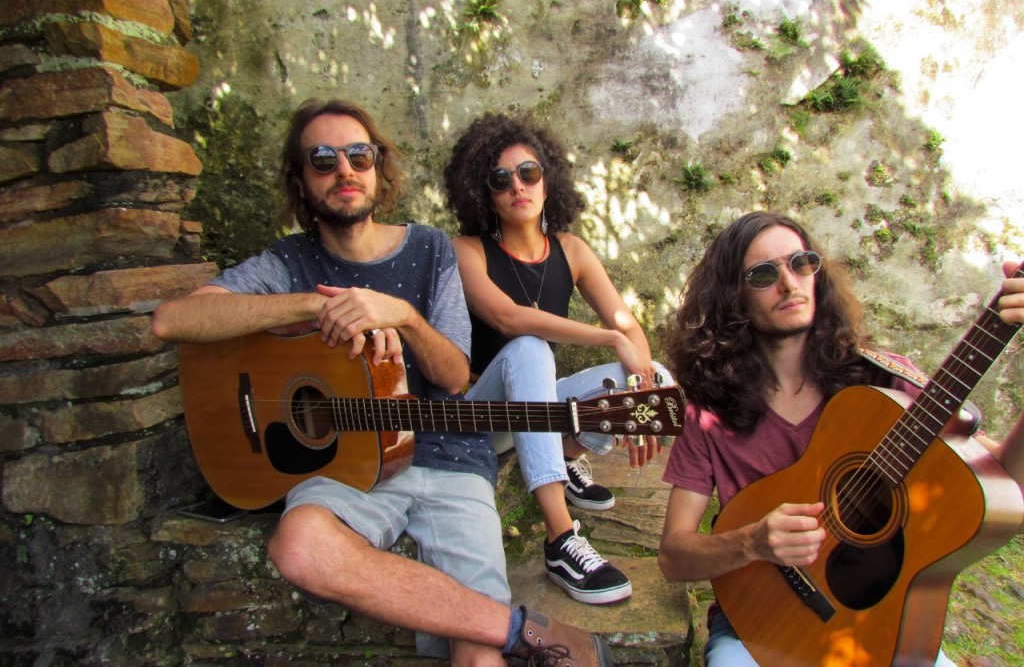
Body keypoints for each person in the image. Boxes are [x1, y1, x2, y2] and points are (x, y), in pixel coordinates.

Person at [151, 99, 614, 667]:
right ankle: (517, 629)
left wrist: (403, 316)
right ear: (300, 180)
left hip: (448, 456)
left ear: (377, 166)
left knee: (478, 657)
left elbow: (452, 375)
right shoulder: (288, 262)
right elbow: (172, 320)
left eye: (359, 155)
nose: (344, 169)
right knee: (299, 545)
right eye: (323, 160)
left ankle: (496, 631)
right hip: (343, 469)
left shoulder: (430, 249)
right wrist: (316, 306)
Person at [657, 210, 1024, 666]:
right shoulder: (709, 411)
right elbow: (673, 557)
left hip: (877, 629)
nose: (789, 283)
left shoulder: (885, 385)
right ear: (733, 297)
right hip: (758, 622)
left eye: (801, 263)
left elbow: (1003, 480)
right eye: (764, 274)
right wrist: (751, 542)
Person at [443, 112, 673, 605]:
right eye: (500, 179)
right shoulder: (466, 251)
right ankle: (561, 540)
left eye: (528, 173)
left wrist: (644, 394)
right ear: (483, 193)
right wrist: (609, 338)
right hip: (483, 414)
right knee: (528, 348)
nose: (517, 186)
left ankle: (565, 457)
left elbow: (628, 326)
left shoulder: (571, 250)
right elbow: (509, 318)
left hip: (537, 405)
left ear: (548, 182)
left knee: (653, 372)